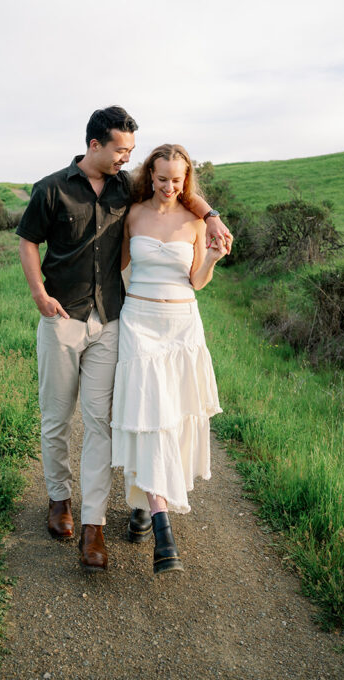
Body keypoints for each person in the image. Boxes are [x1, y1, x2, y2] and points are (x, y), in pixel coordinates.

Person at [16, 109, 232, 573]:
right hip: (61, 317)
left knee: (100, 423)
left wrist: (211, 216)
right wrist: (38, 293)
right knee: (57, 417)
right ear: (95, 144)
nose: (127, 159)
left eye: (131, 152)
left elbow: (176, 190)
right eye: (121, 150)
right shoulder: (51, 188)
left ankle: (93, 525)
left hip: (111, 319)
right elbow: (28, 241)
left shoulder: (122, 187)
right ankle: (59, 498)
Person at [111, 143, 226, 574]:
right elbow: (118, 268)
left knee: (172, 420)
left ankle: (143, 502)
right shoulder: (134, 215)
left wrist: (212, 256)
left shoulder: (196, 220)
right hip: (139, 321)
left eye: (177, 181)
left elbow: (196, 280)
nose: (169, 188)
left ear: (186, 180)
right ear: (150, 175)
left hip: (181, 327)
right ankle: (162, 527)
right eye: (162, 179)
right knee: (149, 415)